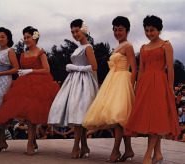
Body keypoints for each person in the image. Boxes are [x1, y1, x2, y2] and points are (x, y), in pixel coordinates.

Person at [0, 26, 59, 156]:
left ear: (35, 37)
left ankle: (30, 143)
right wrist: (22, 73)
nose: (25, 40)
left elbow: (47, 70)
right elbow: (20, 68)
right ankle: (32, 141)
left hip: (39, 85)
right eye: (24, 37)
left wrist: (30, 71)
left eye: (28, 37)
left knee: (32, 115)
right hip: (24, 85)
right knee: (28, 115)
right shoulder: (23, 54)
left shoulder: (41, 53)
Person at [125, 15, 180, 164]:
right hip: (146, 85)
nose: (149, 33)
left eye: (152, 30)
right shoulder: (143, 47)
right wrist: (138, 88)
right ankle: (158, 154)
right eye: (147, 30)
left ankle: (148, 155)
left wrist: (170, 87)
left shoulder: (166, 45)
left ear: (159, 30)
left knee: (156, 119)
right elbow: (141, 71)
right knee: (150, 121)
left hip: (161, 85)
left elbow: (170, 68)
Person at [82, 16, 137, 162]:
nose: (117, 32)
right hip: (112, 82)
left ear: (127, 30)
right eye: (115, 29)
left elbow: (134, 69)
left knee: (119, 118)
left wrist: (130, 87)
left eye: (120, 29)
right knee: (119, 118)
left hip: (123, 82)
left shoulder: (128, 46)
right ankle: (129, 150)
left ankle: (115, 151)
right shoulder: (117, 48)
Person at [48, 19, 98, 159]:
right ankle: (84, 146)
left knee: (79, 113)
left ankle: (76, 146)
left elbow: (94, 67)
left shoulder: (88, 47)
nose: (75, 34)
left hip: (83, 83)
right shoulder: (78, 48)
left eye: (77, 31)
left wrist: (74, 67)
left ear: (83, 30)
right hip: (74, 81)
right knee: (78, 114)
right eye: (73, 32)